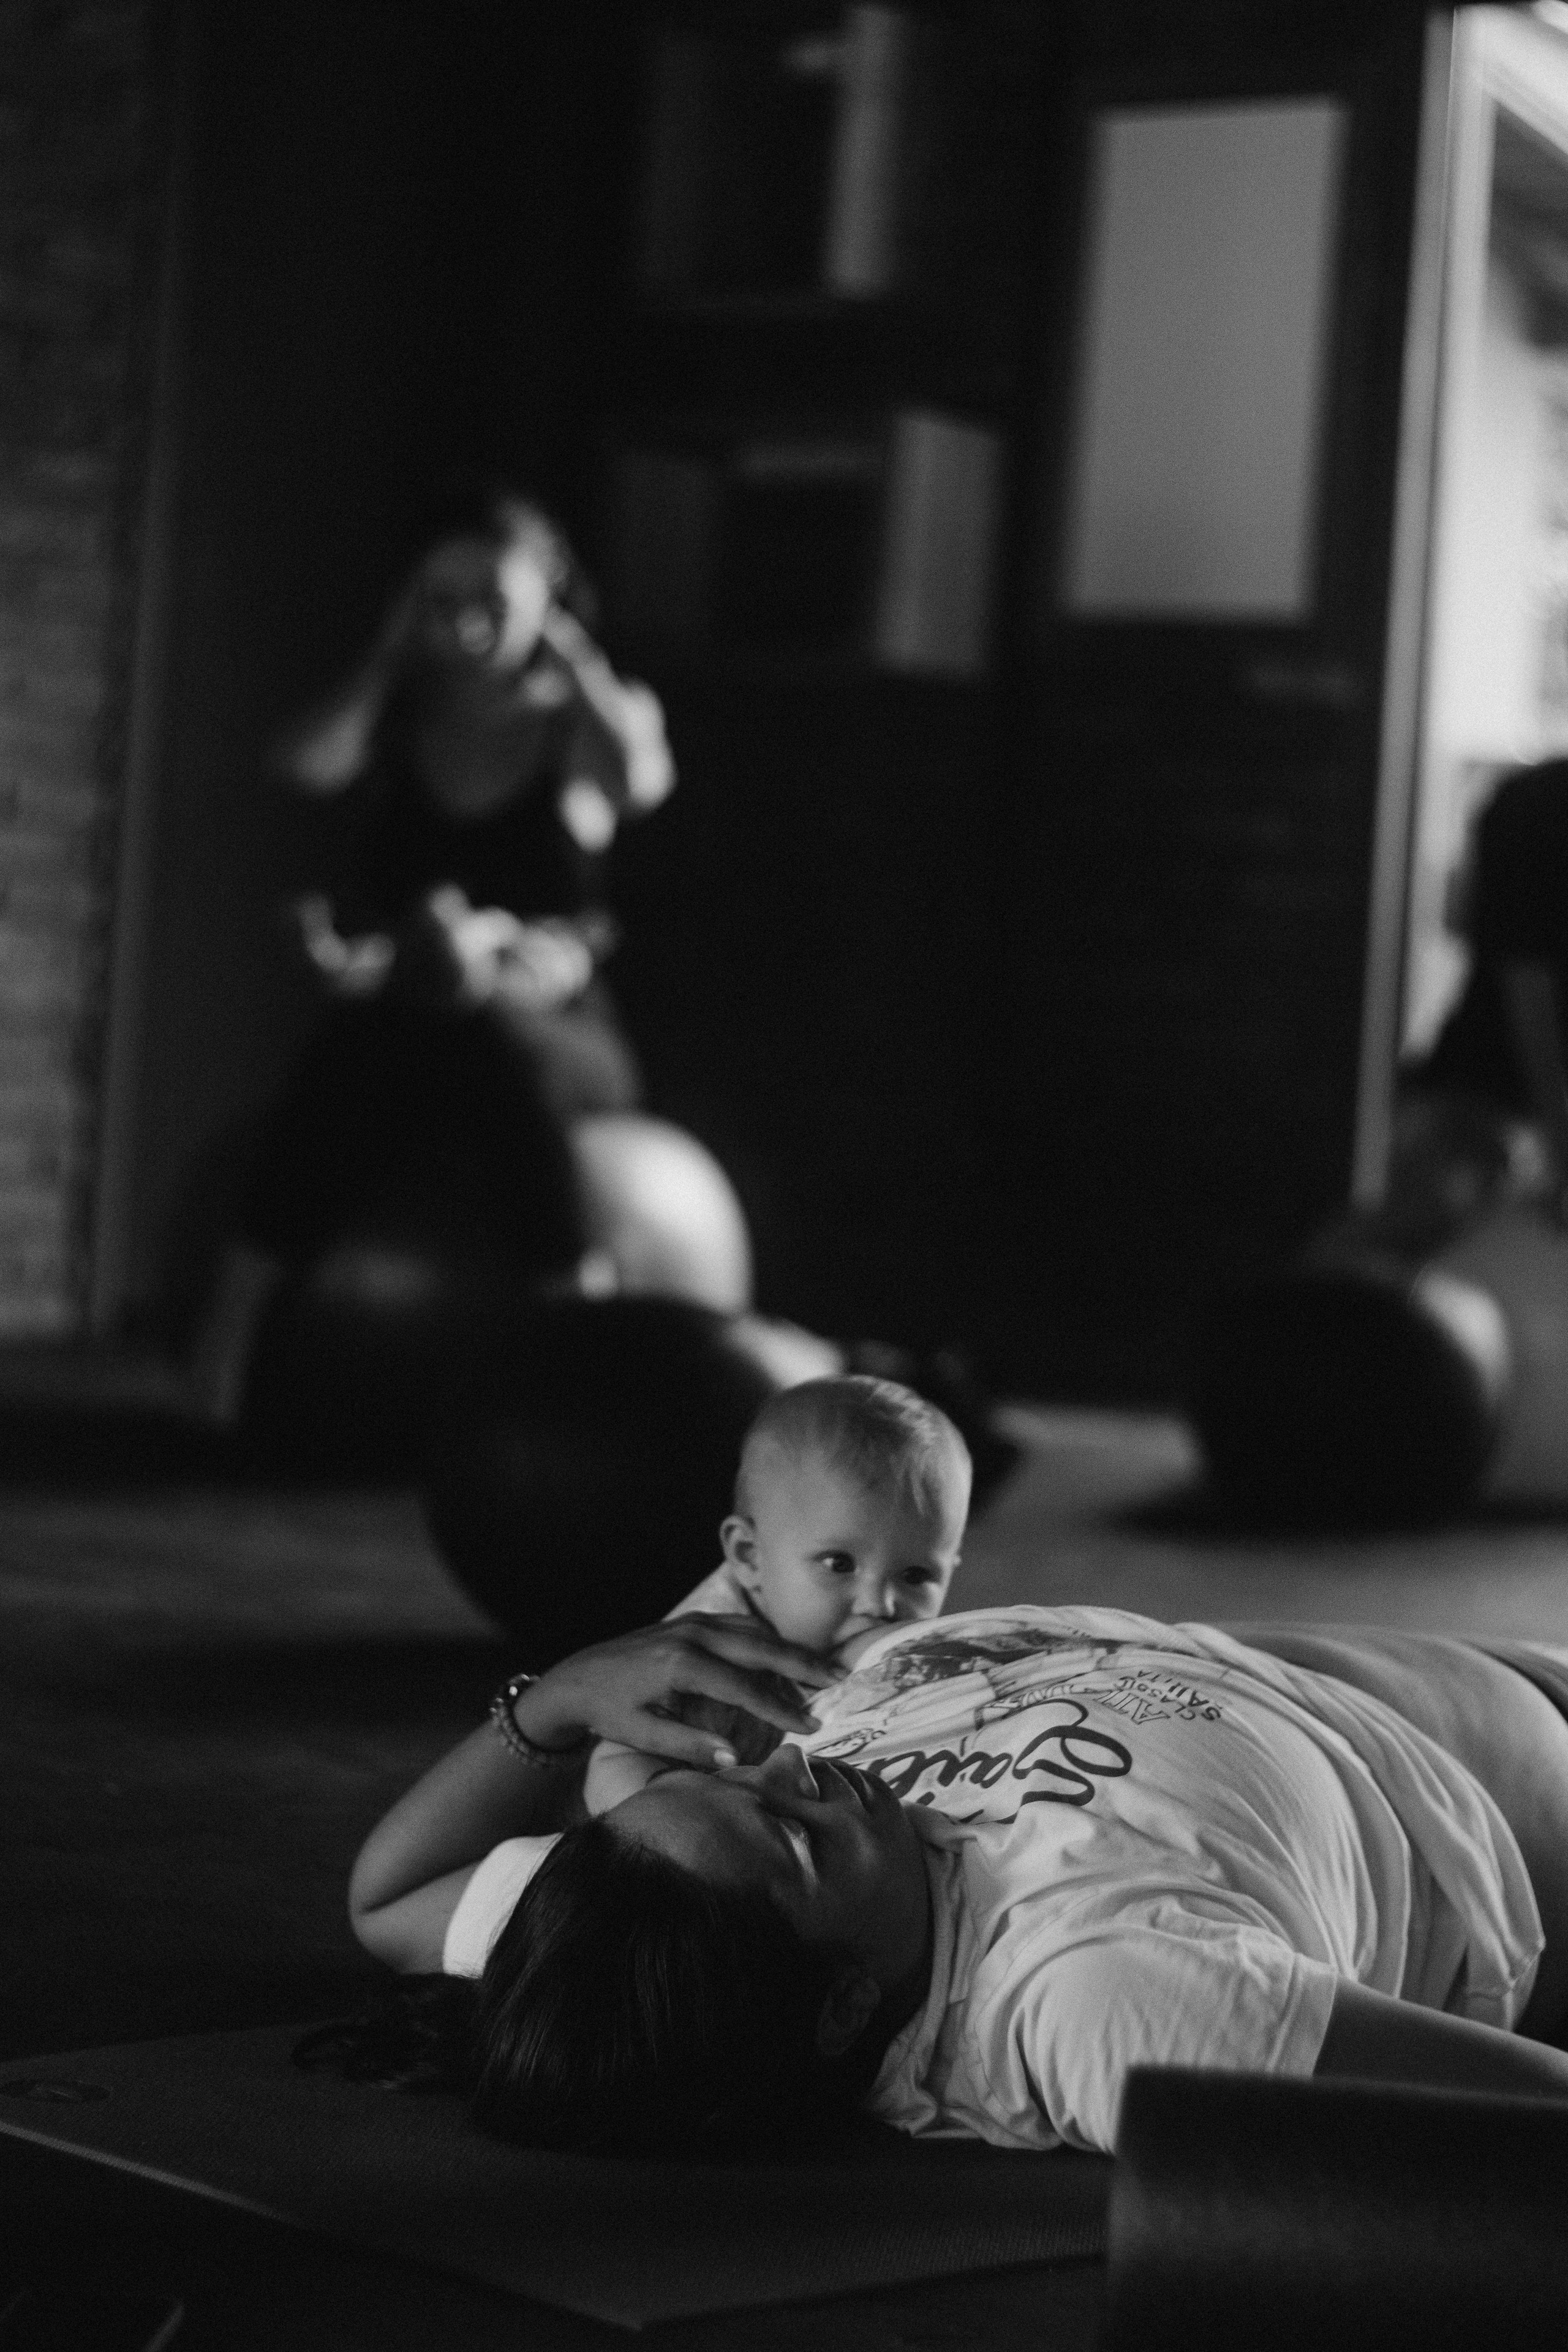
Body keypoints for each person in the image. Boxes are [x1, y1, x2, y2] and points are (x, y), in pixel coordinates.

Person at [346, 1602, 1568, 2158]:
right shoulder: (1090, 2000)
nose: (799, 1773)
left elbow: (392, 1901)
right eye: (793, 1837)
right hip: (1514, 1744)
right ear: (838, 2003)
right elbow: (1531, 2106)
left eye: (737, 1778)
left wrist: (555, 1699)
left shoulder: (638, 1907)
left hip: (1345, 1643)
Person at [189, 480, 690, 1419]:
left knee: (489, 1036)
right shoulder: (398, 714)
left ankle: (573, 1328)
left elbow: (640, 782)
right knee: (347, 1057)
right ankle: (230, 1334)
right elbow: (301, 765)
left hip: (556, 1027)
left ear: (547, 591)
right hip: (407, 1011)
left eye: (490, 598)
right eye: (441, 599)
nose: (463, 622)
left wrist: (576, 664)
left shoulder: (582, 722)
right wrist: (387, 657)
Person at [581, 1374, 971, 1811]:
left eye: (916, 1575)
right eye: (839, 1564)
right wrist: (682, 1813)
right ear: (750, 1557)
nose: (880, 1605)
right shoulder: (706, 1654)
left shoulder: (908, 1650)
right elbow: (614, 1762)